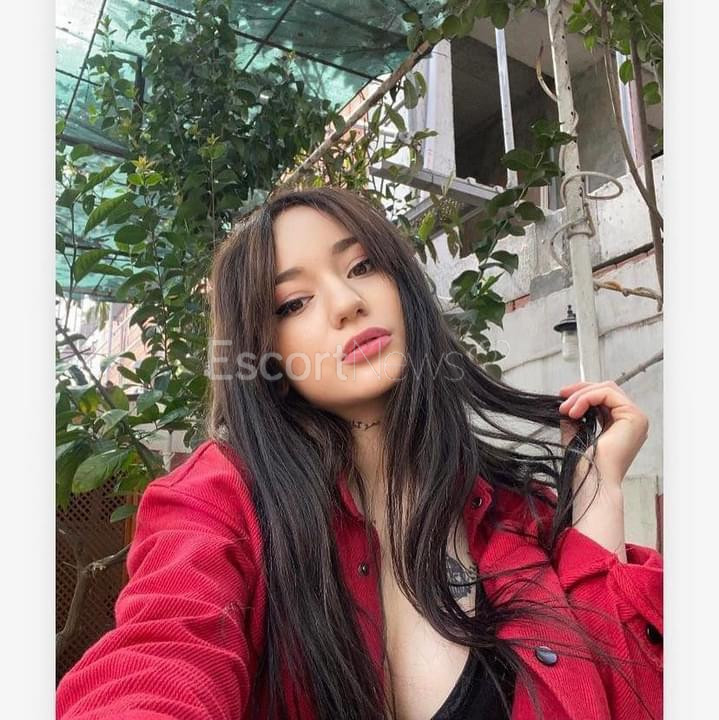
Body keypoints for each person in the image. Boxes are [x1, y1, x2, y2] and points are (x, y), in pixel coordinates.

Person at [56, 187, 663, 720]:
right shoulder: (217, 501)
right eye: (293, 302)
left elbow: (624, 695)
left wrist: (597, 493)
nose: (346, 301)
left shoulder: (513, 514)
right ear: (265, 354)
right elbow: (163, 652)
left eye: (363, 265)